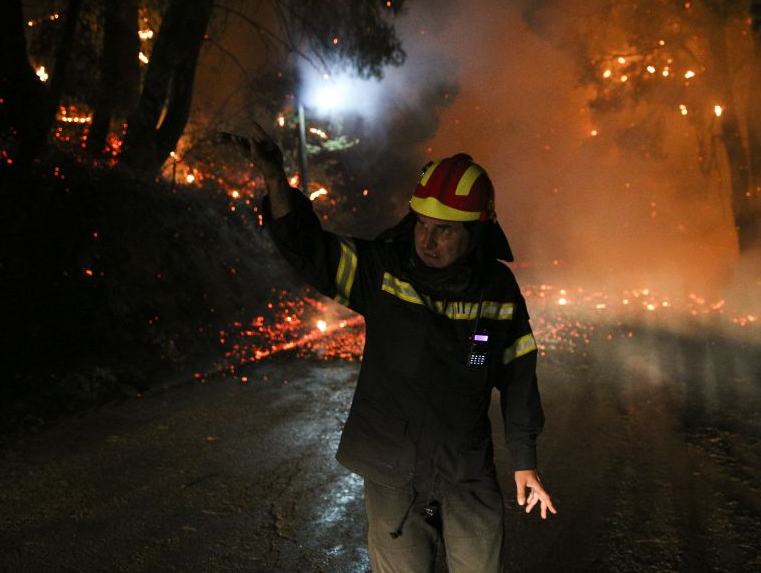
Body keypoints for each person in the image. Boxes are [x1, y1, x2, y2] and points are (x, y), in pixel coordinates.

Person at [230, 123, 555, 572]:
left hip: (467, 471)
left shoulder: (497, 289)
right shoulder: (384, 272)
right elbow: (309, 247)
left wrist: (524, 460)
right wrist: (273, 179)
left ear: (476, 232)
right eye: (422, 224)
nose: (427, 240)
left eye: (444, 230)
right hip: (393, 474)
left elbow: (519, 374)